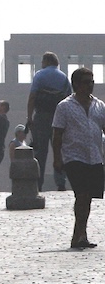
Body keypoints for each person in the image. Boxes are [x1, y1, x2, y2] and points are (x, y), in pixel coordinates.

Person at [51, 67, 105, 249]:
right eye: (85, 82)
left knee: (88, 197)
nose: (89, 86)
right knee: (81, 194)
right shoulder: (64, 107)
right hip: (74, 156)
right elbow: (57, 134)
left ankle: (82, 233)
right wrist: (57, 158)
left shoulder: (99, 106)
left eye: (91, 82)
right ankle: (77, 234)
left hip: (95, 156)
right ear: (75, 85)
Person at [27, 51, 72, 191]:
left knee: (40, 151)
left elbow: (32, 97)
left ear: (46, 61)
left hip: (41, 117)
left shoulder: (39, 75)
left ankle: (38, 184)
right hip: (59, 117)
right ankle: (61, 182)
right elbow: (69, 100)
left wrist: (29, 117)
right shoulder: (64, 78)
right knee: (58, 149)